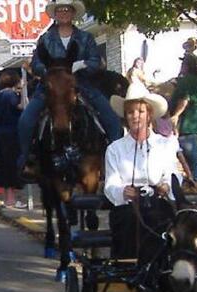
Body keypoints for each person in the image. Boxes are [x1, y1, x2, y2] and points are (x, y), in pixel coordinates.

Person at [16, 0, 121, 173]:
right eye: (60, 10)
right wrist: (51, 71)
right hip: (50, 86)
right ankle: (27, 159)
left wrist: (83, 64)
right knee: (26, 119)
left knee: (111, 117)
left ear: (73, 13)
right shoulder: (46, 38)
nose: (63, 13)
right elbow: (36, 63)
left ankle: (115, 157)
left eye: (67, 10)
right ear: (55, 14)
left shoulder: (85, 38)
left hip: (80, 84)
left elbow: (96, 61)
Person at [105, 83, 179, 261]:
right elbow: (111, 184)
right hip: (128, 210)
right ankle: (127, 266)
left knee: (165, 223)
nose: (135, 116)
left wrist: (166, 186)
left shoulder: (165, 145)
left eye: (140, 112)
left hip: (158, 204)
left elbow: (173, 174)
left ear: (149, 115)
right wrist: (122, 191)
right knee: (129, 221)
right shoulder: (115, 149)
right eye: (130, 112)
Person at [170, 55, 197, 182]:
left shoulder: (186, 81)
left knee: (189, 149)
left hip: (187, 121)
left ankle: (196, 177)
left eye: (183, 64)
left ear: (186, 65)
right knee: (193, 147)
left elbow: (184, 100)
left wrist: (175, 115)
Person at [0, 70, 26, 208]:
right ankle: (12, 199)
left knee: (2, 166)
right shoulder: (10, 95)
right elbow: (21, 107)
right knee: (12, 165)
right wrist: (23, 91)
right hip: (11, 133)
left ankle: (7, 198)